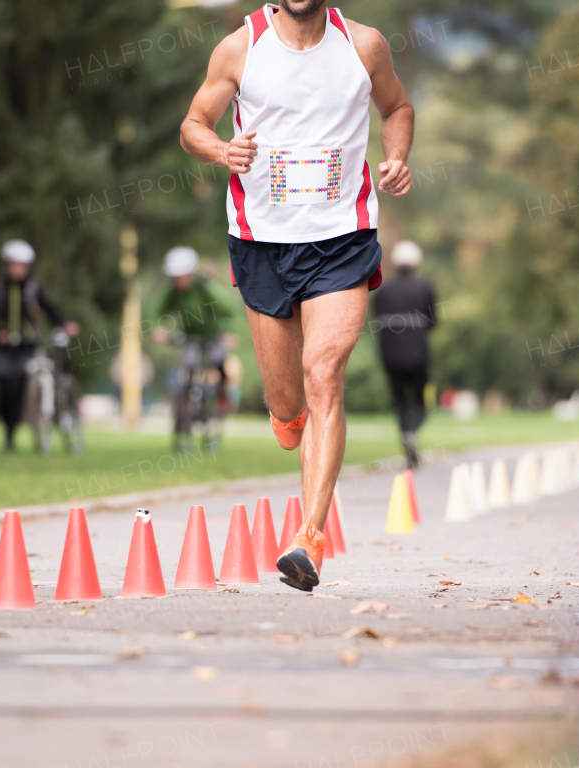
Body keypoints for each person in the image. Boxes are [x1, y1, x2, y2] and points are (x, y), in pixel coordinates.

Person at [181, 1, 413, 591]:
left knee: (324, 374)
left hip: (342, 237)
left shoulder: (364, 46)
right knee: (288, 404)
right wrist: (221, 150)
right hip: (262, 241)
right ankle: (288, 420)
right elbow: (193, 124)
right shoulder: (240, 47)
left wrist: (397, 157)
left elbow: (397, 107)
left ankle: (308, 536)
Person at [0, 239, 78, 451]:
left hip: (28, 345)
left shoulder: (34, 288)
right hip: (2, 349)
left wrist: (65, 323)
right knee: (5, 393)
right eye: (15, 265)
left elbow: (50, 308)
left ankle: (39, 424)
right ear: (7, 265)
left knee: (21, 391)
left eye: (23, 266)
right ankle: (9, 435)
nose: (19, 270)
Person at [149, 246, 238, 447]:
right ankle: (183, 420)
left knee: (218, 364)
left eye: (182, 276)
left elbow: (229, 309)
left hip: (214, 336)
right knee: (187, 373)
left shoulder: (206, 288)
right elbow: (155, 309)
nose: (178, 281)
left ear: (191, 273)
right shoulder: (172, 293)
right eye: (174, 277)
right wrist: (157, 328)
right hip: (191, 337)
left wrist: (229, 333)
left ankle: (222, 398)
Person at [373, 239, 436, 469]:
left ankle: (408, 447)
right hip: (418, 355)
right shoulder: (424, 288)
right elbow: (433, 322)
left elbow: (377, 320)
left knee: (400, 402)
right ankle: (411, 432)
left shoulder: (383, 291)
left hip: (389, 356)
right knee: (420, 403)